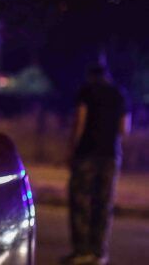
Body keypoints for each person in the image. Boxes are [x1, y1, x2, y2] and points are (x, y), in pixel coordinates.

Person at [62, 63, 131, 265]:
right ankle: (98, 252)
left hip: (87, 154)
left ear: (90, 75)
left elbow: (80, 121)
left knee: (81, 202)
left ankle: (81, 251)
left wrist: (71, 149)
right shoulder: (120, 94)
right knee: (104, 203)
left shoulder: (86, 91)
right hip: (110, 155)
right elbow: (124, 129)